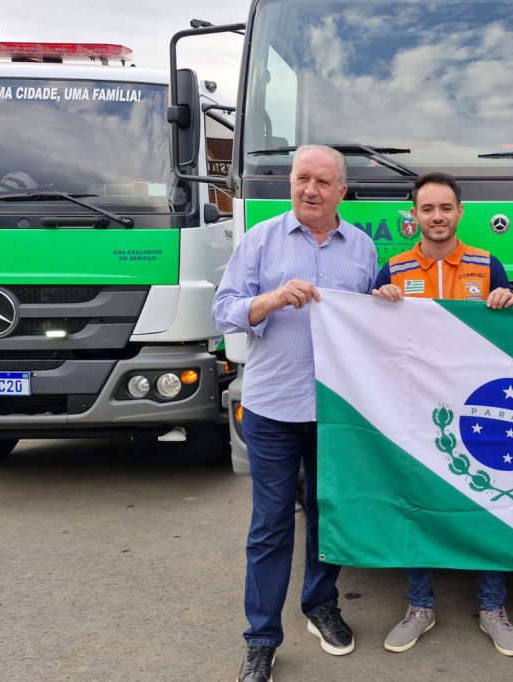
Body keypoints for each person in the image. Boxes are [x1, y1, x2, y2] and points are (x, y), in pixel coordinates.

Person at [213, 145, 378, 682]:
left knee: (328, 515)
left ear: (342, 191)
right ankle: (261, 638)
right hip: (273, 407)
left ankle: (320, 606)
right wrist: (272, 300)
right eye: (302, 178)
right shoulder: (260, 240)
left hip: (335, 410)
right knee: (270, 524)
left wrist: (387, 300)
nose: (311, 190)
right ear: (292, 183)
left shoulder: (362, 249)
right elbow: (225, 310)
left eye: (323, 182)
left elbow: (370, 321)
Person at [372, 171, 513, 656]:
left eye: (445, 208)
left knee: (489, 501)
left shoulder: (487, 265)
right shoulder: (392, 270)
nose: (436, 217)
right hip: (415, 411)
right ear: (413, 216)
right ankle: (420, 606)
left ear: (460, 212)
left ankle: (492, 608)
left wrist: (509, 300)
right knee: (418, 503)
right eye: (427, 209)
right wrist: (377, 303)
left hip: (480, 412)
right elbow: (368, 339)